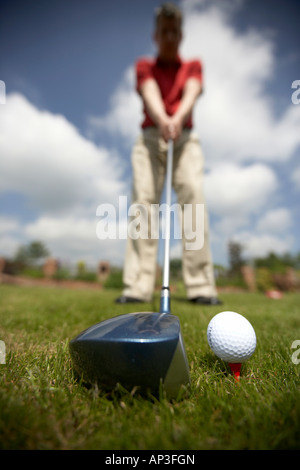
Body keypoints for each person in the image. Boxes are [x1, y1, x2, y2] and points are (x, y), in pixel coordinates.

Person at [116, 3, 221, 305]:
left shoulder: (193, 66)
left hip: (185, 136)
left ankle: (201, 286)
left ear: (182, 34)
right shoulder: (144, 66)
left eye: (175, 31)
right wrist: (164, 119)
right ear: (156, 35)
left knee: (192, 198)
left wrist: (177, 119)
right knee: (144, 203)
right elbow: (149, 93)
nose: (170, 36)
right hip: (151, 137)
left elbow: (192, 91)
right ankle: (137, 286)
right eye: (165, 31)